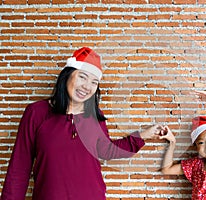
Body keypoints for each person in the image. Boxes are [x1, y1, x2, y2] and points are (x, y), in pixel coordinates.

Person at [1, 47, 163, 200]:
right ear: (67, 75)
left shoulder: (95, 116)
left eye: (94, 82)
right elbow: (19, 169)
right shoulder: (37, 113)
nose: (87, 86)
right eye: (82, 77)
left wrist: (143, 135)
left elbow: (106, 150)